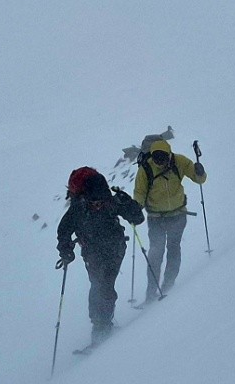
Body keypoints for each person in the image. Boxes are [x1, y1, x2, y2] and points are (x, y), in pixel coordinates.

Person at [56, 166, 144, 346]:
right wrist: (65, 250)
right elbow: (63, 231)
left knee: (103, 285)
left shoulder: (97, 203)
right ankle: (101, 326)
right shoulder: (88, 205)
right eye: (94, 203)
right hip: (100, 251)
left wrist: (129, 205)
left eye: (99, 203)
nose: (97, 205)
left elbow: (138, 218)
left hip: (110, 249)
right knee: (101, 286)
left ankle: (102, 326)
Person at [134, 138, 206, 302]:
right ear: (152, 156)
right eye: (157, 159)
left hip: (177, 215)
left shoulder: (179, 161)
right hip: (156, 218)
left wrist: (200, 172)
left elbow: (199, 179)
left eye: (163, 159)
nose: (160, 163)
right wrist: (135, 207)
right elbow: (139, 192)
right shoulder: (145, 168)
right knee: (156, 253)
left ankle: (168, 286)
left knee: (171, 249)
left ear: (169, 155)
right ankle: (152, 293)